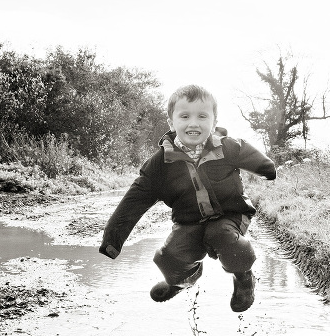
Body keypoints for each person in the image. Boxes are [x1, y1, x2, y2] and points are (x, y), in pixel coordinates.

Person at [99, 84, 276, 312]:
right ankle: (181, 280)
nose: (193, 123)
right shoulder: (161, 163)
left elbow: (253, 158)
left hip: (231, 215)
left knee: (221, 235)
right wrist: (113, 240)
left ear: (213, 121)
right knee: (167, 256)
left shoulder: (228, 147)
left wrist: (267, 169)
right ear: (172, 122)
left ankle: (243, 278)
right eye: (185, 116)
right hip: (188, 221)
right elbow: (135, 199)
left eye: (202, 116)